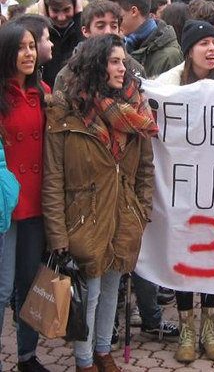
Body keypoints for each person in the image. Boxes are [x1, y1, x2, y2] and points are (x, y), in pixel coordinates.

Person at [43, 34, 157, 372]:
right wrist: (58, 234)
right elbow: (53, 177)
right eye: (115, 61)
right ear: (96, 65)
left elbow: (146, 169)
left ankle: (104, 351)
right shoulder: (66, 111)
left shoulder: (136, 109)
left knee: (112, 290)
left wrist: (141, 210)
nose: (124, 68)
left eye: (124, 61)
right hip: (84, 217)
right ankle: (83, 360)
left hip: (122, 215)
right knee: (87, 295)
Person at [155, 20, 214, 362]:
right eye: (204, 44)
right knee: (186, 252)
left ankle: (210, 327)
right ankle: (187, 328)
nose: (212, 49)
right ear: (189, 50)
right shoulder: (167, 85)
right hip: (181, 183)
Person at [0, 23, 51, 372]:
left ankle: (27, 357)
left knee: (30, 285)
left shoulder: (44, 93)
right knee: (3, 289)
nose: (29, 53)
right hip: (5, 206)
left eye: (32, 46)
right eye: (21, 48)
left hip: (37, 203)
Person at [107, 0, 183, 77]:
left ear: (134, 11)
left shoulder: (169, 55)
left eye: (118, 17)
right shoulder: (124, 45)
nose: (115, 23)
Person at [40, 0, 85, 89]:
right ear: (46, 9)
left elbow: (87, 53)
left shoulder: (83, 28)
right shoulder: (37, 28)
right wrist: (40, 21)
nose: (61, 17)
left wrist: (79, 16)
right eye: (55, 10)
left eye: (66, 10)